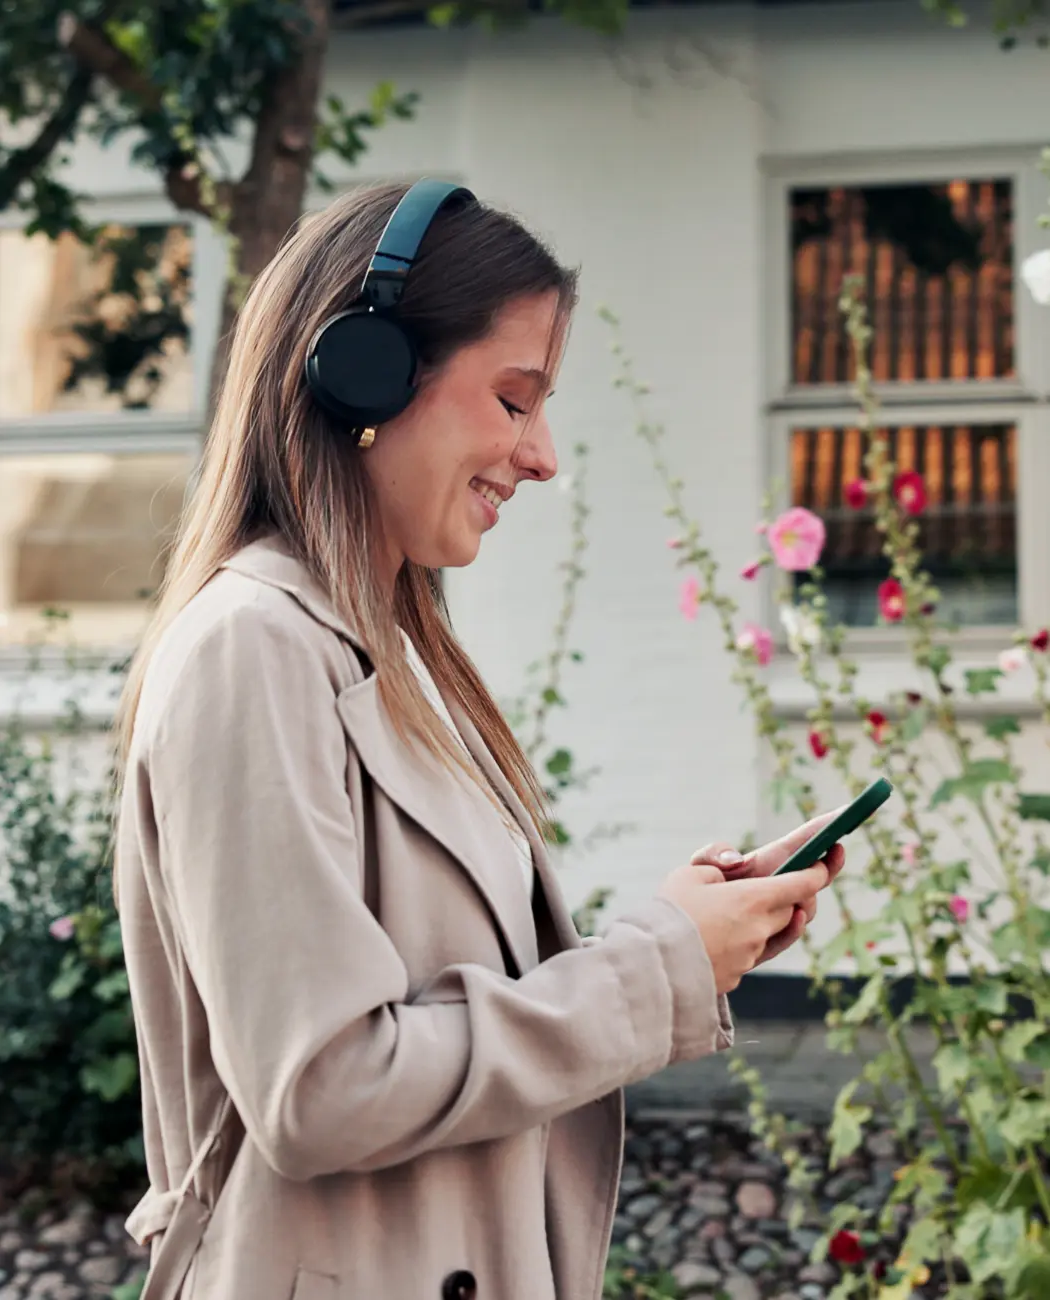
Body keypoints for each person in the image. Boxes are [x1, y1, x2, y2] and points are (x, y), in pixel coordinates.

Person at [113, 179, 844, 1300]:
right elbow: (322, 1088)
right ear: (364, 372)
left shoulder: (385, 654)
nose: (541, 455)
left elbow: (444, 1003)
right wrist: (657, 966)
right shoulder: (252, 647)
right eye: (513, 400)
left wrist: (685, 932)